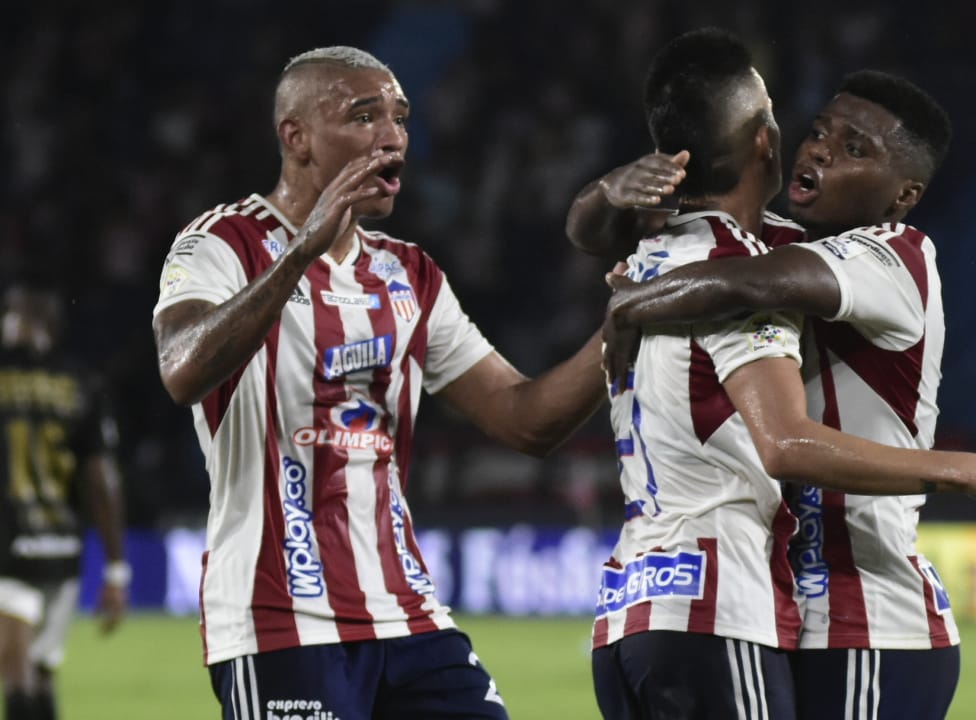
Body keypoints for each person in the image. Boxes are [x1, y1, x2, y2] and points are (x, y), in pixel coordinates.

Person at [584, 30, 976, 720]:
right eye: (820, 132)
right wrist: (606, 194)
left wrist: (634, 301)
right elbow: (622, 238)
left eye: (854, 149)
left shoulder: (896, 258)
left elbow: (751, 280)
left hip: (865, 614)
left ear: (903, 196)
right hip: (788, 609)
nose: (820, 150)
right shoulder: (779, 243)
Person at [150, 46, 606, 720]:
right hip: (280, 619)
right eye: (364, 117)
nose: (391, 136)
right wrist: (301, 253)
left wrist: (619, 332)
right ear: (295, 137)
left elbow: (523, 417)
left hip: (410, 618)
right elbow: (182, 368)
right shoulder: (223, 244)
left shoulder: (409, 274)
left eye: (399, 118)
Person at [0, 280, 129, 720]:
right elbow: (101, 479)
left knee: (15, 673)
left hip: (8, 546)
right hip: (63, 548)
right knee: (42, 668)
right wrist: (116, 567)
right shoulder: (81, 383)